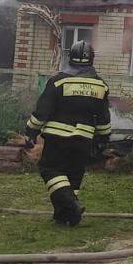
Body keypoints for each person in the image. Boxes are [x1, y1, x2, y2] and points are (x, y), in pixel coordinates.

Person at [24, 40, 112, 226]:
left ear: (70, 58)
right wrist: (103, 140)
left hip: (57, 138)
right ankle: (66, 217)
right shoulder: (101, 86)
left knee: (50, 170)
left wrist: (31, 131)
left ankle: (71, 204)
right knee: (73, 175)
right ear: (91, 60)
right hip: (83, 140)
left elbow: (42, 111)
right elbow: (104, 118)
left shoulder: (58, 81)